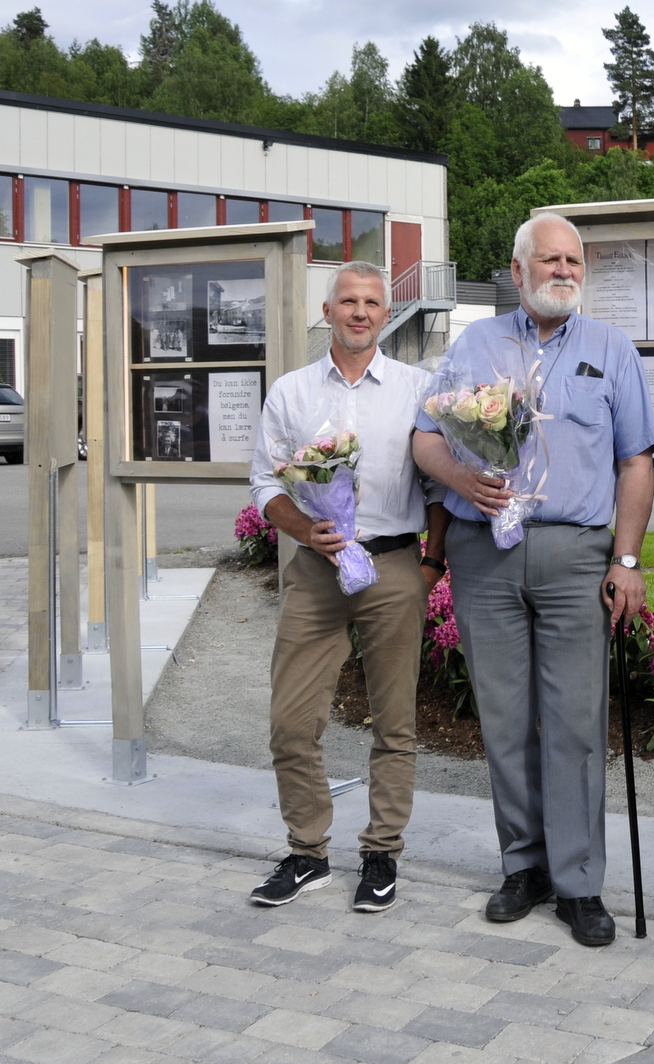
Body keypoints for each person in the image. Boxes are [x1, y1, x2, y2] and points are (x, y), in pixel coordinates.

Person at [413, 212, 654, 948]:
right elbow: (425, 437)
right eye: (548, 261)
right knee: (504, 717)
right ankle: (523, 865)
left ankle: (580, 882)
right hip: (484, 553)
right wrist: (465, 476)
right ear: (517, 271)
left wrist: (627, 559)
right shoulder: (475, 345)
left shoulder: (612, 349)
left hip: (575, 555)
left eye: (573, 262)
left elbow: (636, 462)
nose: (563, 272)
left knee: (577, 723)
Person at [248, 261, 449, 913]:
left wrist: (430, 565)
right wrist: (306, 532)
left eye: (372, 303)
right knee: (289, 721)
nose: (360, 312)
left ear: (385, 315)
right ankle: (307, 853)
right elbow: (266, 484)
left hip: (393, 568)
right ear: (328, 310)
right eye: (348, 301)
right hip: (317, 569)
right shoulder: (293, 392)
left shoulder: (420, 388)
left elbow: (442, 484)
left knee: (394, 721)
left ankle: (381, 853)